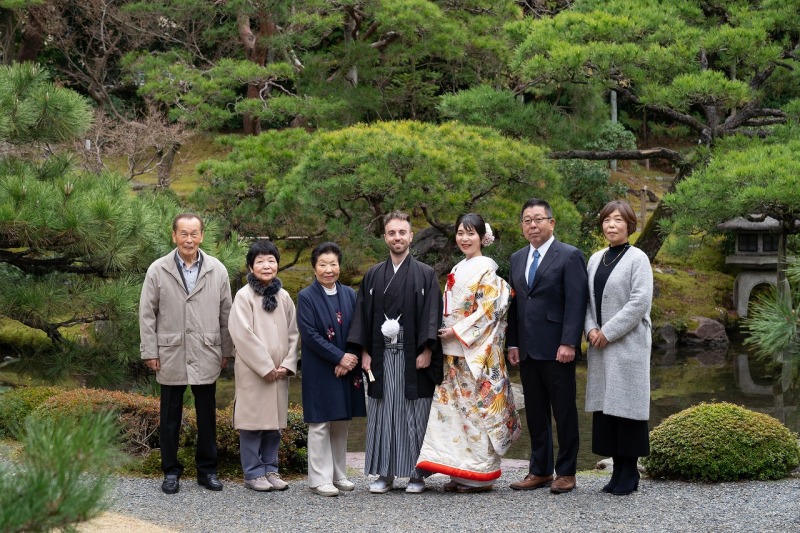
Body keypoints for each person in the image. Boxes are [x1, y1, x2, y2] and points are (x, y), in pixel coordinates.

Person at [416, 213, 522, 493]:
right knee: (453, 412)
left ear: (482, 237)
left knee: (476, 411)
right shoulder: (458, 266)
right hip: (453, 350)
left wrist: (456, 330)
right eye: (460, 233)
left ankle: (479, 474)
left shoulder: (488, 270)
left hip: (474, 351)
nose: (464, 238)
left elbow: (490, 311)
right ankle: (461, 472)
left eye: (470, 233)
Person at [346, 211, 443, 494]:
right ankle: (384, 473)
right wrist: (364, 352)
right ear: (385, 237)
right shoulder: (374, 274)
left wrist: (428, 350)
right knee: (382, 413)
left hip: (413, 355)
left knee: (414, 413)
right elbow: (362, 315)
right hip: (380, 355)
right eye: (392, 233)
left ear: (411, 236)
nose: (397, 237)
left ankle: (416, 475)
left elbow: (432, 314)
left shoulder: (425, 274)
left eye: (402, 232)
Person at [139, 213, 233, 495]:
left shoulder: (217, 269)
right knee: (170, 415)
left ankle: (208, 470)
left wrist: (227, 349)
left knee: (206, 414)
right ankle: (170, 471)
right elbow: (147, 313)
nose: (189, 239)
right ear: (174, 236)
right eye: (183, 233)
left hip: (206, 349)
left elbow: (226, 313)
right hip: (170, 351)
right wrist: (150, 350)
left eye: (194, 233)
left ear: (202, 236)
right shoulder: (158, 269)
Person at [507, 198, 588, 494]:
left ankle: (566, 471)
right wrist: (512, 342)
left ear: (551, 223)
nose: (533, 225)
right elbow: (515, 305)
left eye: (538, 219)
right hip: (527, 348)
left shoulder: (569, 255)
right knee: (537, 412)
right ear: (522, 227)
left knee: (564, 411)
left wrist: (569, 341)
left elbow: (576, 302)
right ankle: (540, 469)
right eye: (527, 220)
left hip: (558, 348)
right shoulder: (517, 258)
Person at [584, 200, 652, 496]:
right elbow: (586, 301)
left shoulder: (638, 258)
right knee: (607, 408)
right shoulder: (595, 258)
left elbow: (639, 302)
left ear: (629, 225)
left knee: (627, 407)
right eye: (607, 220)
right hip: (599, 343)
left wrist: (608, 332)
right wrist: (591, 329)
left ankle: (630, 472)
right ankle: (615, 472)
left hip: (628, 343)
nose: (611, 225)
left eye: (617, 220)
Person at [227, 240, 298, 492]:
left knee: (273, 425)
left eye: (271, 261)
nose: (267, 266)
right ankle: (253, 473)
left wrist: (288, 364)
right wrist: (266, 366)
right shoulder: (244, 296)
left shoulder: (284, 296)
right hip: (254, 371)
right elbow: (241, 333)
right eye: (260, 261)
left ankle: (271, 469)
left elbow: (293, 333)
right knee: (252, 424)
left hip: (279, 372)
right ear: (250, 266)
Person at [297, 242, 366, 497]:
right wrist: (338, 358)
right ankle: (318, 478)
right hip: (321, 367)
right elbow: (310, 334)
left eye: (333, 264)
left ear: (340, 266)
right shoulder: (306, 297)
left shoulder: (349, 293)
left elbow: (359, 327)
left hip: (348, 366)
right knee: (320, 422)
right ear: (314, 268)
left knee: (341, 422)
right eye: (323, 264)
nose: (329, 269)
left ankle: (339, 473)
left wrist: (350, 358)